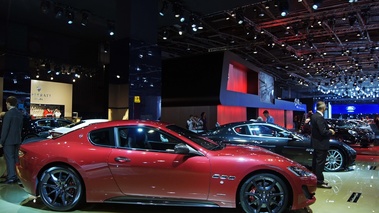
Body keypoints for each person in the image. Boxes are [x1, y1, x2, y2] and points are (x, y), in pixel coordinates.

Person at [310, 101, 335, 189]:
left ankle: (315, 179)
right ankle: (319, 182)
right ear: (323, 108)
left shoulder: (313, 116)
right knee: (320, 163)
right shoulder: (319, 117)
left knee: (316, 163)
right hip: (321, 144)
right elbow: (323, 132)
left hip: (316, 143)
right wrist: (330, 131)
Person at [0, 96, 24, 184]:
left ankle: (11, 177)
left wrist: (1, 141)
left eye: (6, 103)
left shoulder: (8, 114)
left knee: (9, 159)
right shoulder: (19, 114)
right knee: (16, 159)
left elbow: (5, 129)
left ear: (8, 103)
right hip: (17, 140)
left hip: (8, 141)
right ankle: (17, 176)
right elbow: (21, 128)